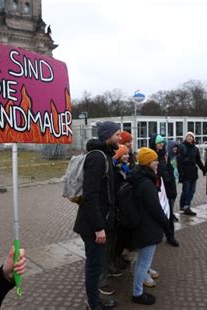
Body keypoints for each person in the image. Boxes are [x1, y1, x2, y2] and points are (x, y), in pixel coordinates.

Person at [73, 121, 120, 310]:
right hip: (93, 225)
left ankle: (95, 299)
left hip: (99, 222)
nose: (119, 137)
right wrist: (99, 227)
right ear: (107, 136)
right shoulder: (98, 158)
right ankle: (92, 304)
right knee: (94, 267)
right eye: (117, 134)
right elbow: (90, 196)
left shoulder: (105, 156)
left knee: (97, 264)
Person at [127, 148, 170, 306]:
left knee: (141, 261)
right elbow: (155, 208)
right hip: (147, 227)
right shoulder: (146, 183)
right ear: (146, 163)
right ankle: (137, 293)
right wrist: (166, 223)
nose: (157, 162)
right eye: (154, 160)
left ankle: (137, 290)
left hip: (142, 225)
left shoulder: (140, 177)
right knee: (144, 263)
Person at [149, 134, 179, 247]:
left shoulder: (165, 155)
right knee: (157, 214)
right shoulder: (151, 156)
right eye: (158, 142)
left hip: (167, 189)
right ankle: (156, 235)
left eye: (162, 142)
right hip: (157, 190)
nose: (161, 144)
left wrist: (172, 189)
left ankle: (170, 236)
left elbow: (170, 172)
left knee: (169, 214)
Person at [177, 132, 205, 216]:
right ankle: (184, 206)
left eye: (191, 136)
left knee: (192, 191)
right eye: (188, 136)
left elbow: (198, 160)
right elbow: (179, 162)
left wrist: (203, 169)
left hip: (193, 173)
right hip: (185, 173)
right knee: (186, 191)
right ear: (185, 138)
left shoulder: (195, 149)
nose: (189, 137)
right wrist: (181, 174)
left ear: (193, 138)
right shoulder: (182, 147)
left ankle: (186, 206)